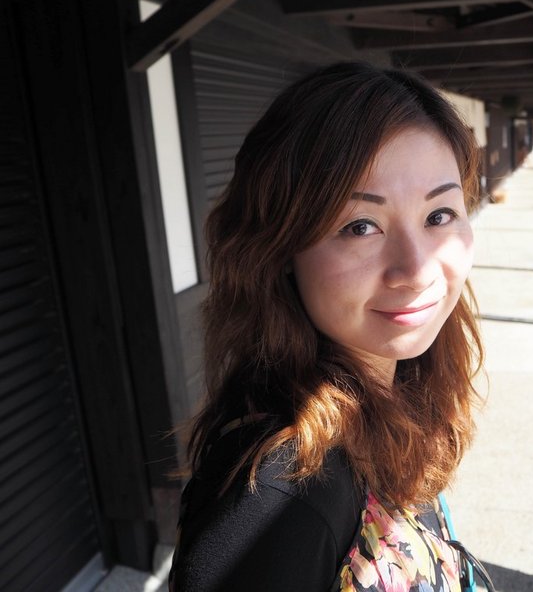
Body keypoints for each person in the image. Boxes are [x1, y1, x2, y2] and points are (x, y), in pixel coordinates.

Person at [168, 62, 486, 591]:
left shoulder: (399, 389)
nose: (416, 270)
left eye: (439, 215)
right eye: (360, 226)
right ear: (279, 250)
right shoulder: (279, 497)